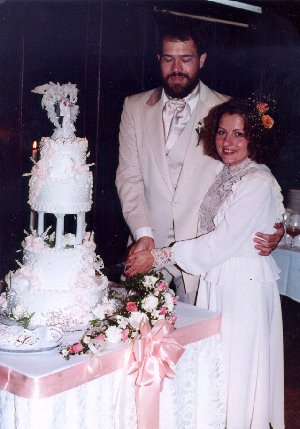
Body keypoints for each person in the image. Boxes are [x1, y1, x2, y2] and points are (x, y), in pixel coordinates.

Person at [125, 98, 284, 429]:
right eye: (223, 132)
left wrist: (160, 256)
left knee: (236, 366)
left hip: (243, 287)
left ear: (254, 137)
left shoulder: (257, 181)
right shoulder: (227, 172)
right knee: (220, 365)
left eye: (239, 134)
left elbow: (221, 241)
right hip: (219, 278)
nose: (228, 142)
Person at [115, 19, 283, 303]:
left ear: (201, 60)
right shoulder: (134, 107)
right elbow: (128, 176)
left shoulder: (227, 110)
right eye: (169, 59)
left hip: (204, 252)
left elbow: (250, 176)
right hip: (146, 245)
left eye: (186, 59)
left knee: (199, 340)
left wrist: (272, 225)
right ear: (159, 60)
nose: (177, 68)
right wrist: (143, 233)